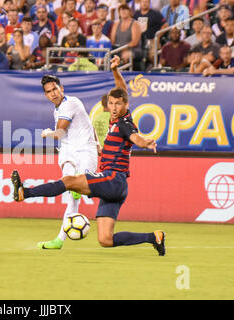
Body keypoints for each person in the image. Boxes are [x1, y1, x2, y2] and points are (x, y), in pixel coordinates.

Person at [11, 55, 165, 256]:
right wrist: (115, 71)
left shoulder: (125, 124)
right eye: (111, 103)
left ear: (125, 105)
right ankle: (154, 237)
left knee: (68, 181)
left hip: (113, 179)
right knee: (105, 239)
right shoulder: (117, 117)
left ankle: (25, 192)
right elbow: (122, 91)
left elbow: (136, 138)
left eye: (118, 104)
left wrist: (146, 142)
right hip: (114, 187)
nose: (114, 107)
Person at [32, 73, 99, 249]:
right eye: (48, 92)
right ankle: (59, 240)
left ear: (61, 88)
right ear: (46, 95)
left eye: (55, 89)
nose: (53, 93)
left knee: (76, 193)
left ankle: (59, 239)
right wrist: (99, 142)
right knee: (70, 191)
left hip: (85, 150)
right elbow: (89, 123)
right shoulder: (58, 109)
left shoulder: (70, 103)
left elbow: (60, 133)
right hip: (69, 150)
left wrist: (47, 133)